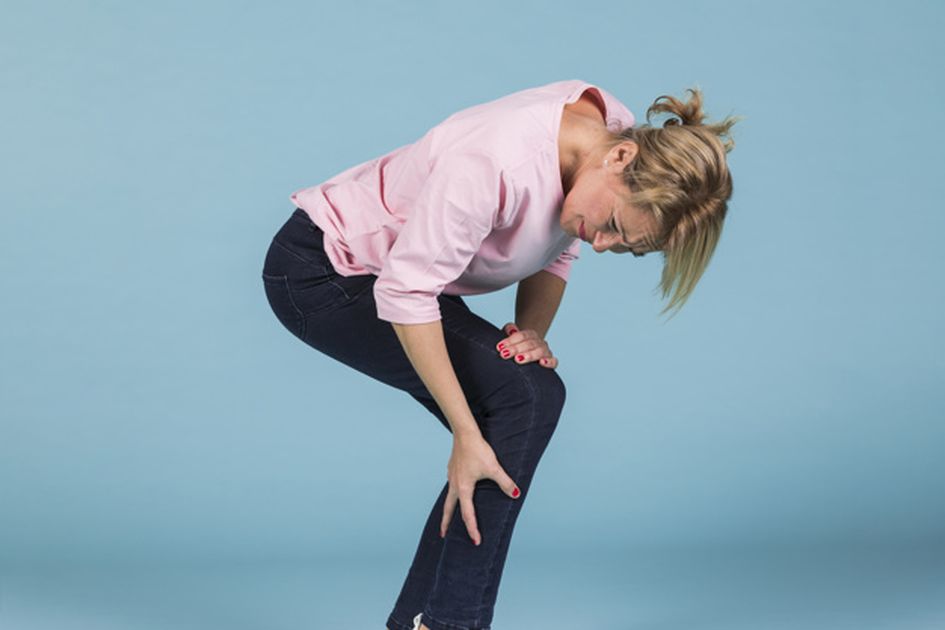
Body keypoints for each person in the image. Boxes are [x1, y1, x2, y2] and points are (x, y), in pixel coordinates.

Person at [260, 79, 740, 630]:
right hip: (325, 273)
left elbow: (558, 249)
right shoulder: (495, 161)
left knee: (523, 399)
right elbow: (407, 292)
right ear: (621, 157)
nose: (601, 244)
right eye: (611, 227)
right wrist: (466, 434)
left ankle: (429, 621)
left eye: (624, 247)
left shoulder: (608, 137)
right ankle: (447, 622)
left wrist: (528, 336)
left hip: (398, 277)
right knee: (520, 401)